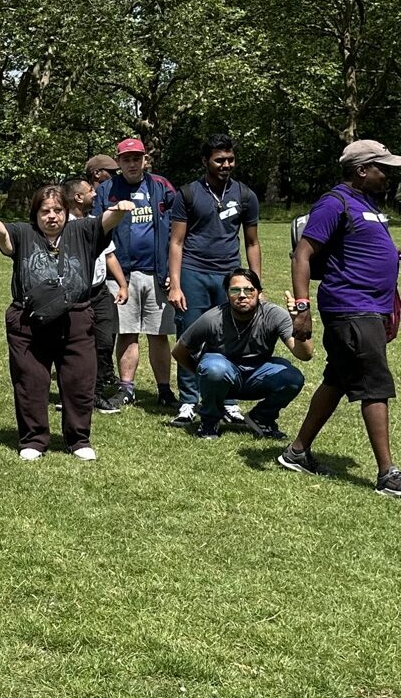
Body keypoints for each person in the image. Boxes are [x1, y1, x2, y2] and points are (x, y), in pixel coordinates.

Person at [279, 140, 401, 496]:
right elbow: (302, 254)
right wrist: (302, 309)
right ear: (362, 170)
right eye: (383, 168)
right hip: (350, 307)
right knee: (375, 383)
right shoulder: (335, 203)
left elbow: (366, 250)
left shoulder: (368, 204)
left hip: (372, 307)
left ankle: (297, 452)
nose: (388, 175)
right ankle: (388, 474)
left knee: (338, 379)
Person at [0, 188, 134, 461]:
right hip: (29, 321)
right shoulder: (24, 233)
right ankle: (33, 439)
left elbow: (106, 221)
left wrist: (119, 209)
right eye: (45, 211)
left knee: (79, 381)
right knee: (30, 381)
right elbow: (2, 234)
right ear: (35, 214)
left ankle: (78, 439)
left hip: (76, 318)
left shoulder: (82, 230)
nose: (51, 216)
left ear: (66, 212)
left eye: (57, 211)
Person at [166, 134, 262, 426]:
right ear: (205, 161)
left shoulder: (245, 195)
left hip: (229, 275)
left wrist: (257, 285)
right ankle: (188, 401)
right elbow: (177, 242)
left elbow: (253, 243)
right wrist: (176, 283)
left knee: (230, 338)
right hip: (193, 272)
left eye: (230, 159)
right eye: (219, 160)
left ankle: (228, 402)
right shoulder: (188, 193)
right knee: (190, 337)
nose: (226, 165)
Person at [173, 268, 309, 440]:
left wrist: (299, 325)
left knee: (293, 378)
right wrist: (202, 375)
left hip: (257, 375)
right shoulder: (213, 319)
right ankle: (210, 420)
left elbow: (305, 354)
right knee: (213, 368)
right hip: (223, 373)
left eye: (249, 289)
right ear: (227, 294)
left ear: (259, 293)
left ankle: (261, 418)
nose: (242, 295)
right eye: (235, 290)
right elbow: (179, 351)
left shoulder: (274, 315)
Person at [94, 137, 178, 407]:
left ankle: (164, 390)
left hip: (157, 272)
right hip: (122, 275)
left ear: (145, 160)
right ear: (118, 162)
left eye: (136, 158)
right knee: (127, 332)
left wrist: (172, 271)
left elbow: (178, 227)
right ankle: (126, 387)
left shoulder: (161, 186)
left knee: (158, 334)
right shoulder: (107, 190)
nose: (132, 163)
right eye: (126, 159)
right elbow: (97, 230)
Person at [65, 177, 130, 414]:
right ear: (78, 197)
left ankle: (97, 393)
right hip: (73, 293)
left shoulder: (96, 223)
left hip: (100, 290)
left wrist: (122, 285)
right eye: (90, 190)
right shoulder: (63, 225)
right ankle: (72, 394)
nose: (95, 193)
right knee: (72, 346)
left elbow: (109, 255)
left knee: (104, 342)